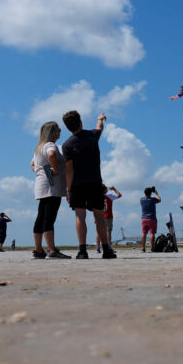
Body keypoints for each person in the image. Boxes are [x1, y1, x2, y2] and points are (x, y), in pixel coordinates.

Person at [61, 110, 116, 259]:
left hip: (78, 184)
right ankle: (106, 250)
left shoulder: (67, 145)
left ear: (67, 127)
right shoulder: (92, 136)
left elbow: (69, 169)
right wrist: (100, 119)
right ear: (80, 122)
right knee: (99, 217)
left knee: (80, 216)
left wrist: (68, 189)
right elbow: (100, 128)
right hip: (94, 182)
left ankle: (82, 251)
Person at [31, 121, 70, 259]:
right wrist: (54, 169)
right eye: (58, 130)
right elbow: (52, 154)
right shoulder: (50, 145)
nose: (60, 132)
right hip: (52, 186)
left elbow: (32, 164)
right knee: (49, 217)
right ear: (53, 132)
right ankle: (52, 250)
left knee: (41, 217)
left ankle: (38, 249)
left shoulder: (38, 147)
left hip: (41, 185)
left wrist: (42, 171)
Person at [96, 185, 122, 253]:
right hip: (108, 216)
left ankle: (98, 248)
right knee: (108, 232)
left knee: (99, 232)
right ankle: (109, 247)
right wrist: (114, 189)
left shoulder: (97, 197)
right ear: (104, 190)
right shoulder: (109, 195)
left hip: (99, 216)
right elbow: (119, 195)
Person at [140, 186, 161, 252]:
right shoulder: (152, 199)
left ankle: (143, 248)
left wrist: (149, 191)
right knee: (152, 233)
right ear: (150, 193)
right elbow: (159, 199)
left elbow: (145, 195)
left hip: (144, 219)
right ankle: (152, 248)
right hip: (152, 218)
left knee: (144, 233)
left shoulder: (141, 199)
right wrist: (156, 193)